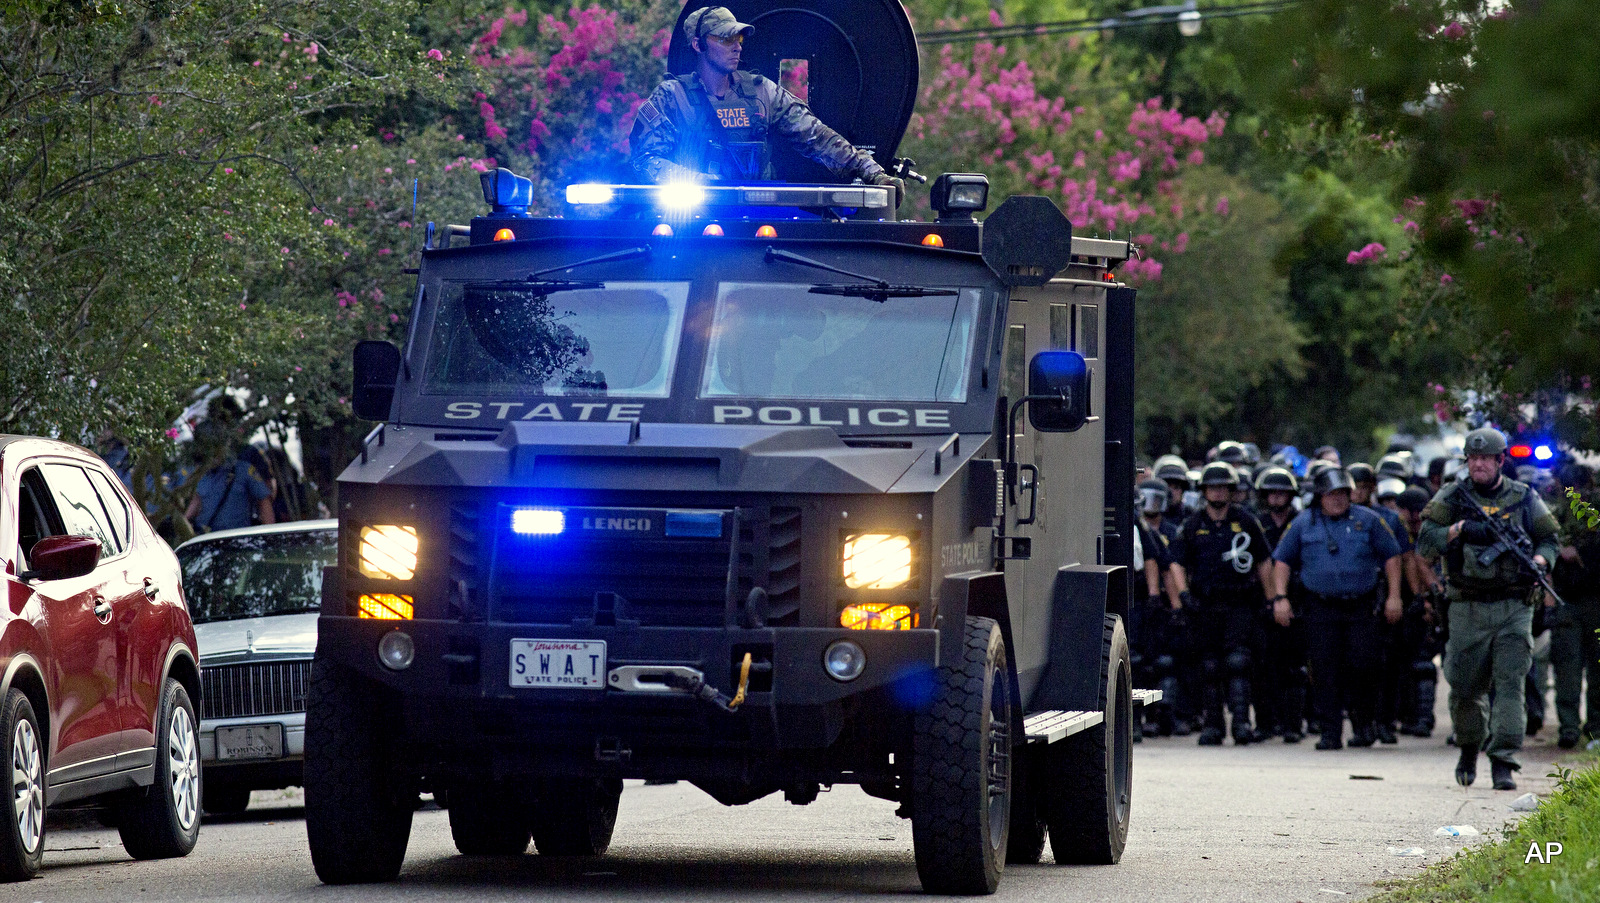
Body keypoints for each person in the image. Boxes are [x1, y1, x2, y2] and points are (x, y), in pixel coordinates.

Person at [630, 7, 903, 200]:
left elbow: (817, 137)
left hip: (761, 218)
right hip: (694, 223)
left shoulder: (761, 92)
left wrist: (873, 173)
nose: (737, 46)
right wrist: (702, 186)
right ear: (698, 45)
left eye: (738, 38)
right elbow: (645, 160)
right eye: (725, 39)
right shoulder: (672, 97)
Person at [1417, 427, 1561, 790]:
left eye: (1486, 459)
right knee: (1464, 687)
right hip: (1467, 606)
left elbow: (1549, 538)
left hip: (1514, 604)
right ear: (1467, 460)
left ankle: (1503, 761)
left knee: (1511, 684)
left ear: (1500, 462)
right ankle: (1469, 747)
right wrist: (1461, 529)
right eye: (1473, 458)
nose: (1479, 464)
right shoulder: (1453, 496)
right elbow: (1426, 543)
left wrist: (1542, 562)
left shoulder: (1524, 497)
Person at [1270, 467, 1404, 750]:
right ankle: (1330, 731)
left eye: (1343, 493)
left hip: (1361, 605)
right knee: (1324, 668)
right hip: (1320, 607)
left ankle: (1363, 726)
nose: (1338, 499)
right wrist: (1280, 598)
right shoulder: (1303, 524)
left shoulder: (1369, 520)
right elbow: (1281, 561)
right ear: (1319, 496)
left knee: (1364, 665)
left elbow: (1392, 556)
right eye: (1332, 494)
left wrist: (1394, 596)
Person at [1166, 462, 1274, 746]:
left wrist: (1272, 598)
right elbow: (1176, 562)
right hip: (1204, 605)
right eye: (1212, 487)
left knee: (1238, 662)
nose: (1217, 492)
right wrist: (1183, 595)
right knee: (1209, 665)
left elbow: (1264, 561)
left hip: (1240, 603)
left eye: (1222, 487)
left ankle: (1241, 724)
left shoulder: (1247, 521)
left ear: (1230, 490)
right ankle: (1213, 725)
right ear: (1204, 491)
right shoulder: (1192, 525)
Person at [1256, 466, 1309, 742]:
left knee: (1296, 669)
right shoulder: (1257, 523)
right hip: (1263, 603)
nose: (1277, 498)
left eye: (1282, 493)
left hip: (1298, 601)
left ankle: (1294, 725)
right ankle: (1265, 723)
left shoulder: (1302, 522)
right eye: (1272, 493)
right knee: (1262, 666)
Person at [1550, 464, 1600, 748]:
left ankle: (1594, 727)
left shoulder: (1593, 515)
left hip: (1593, 598)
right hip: (1567, 599)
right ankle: (1569, 727)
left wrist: (1578, 555)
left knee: (1595, 668)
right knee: (1567, 668)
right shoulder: (1556, 516)